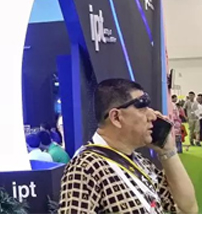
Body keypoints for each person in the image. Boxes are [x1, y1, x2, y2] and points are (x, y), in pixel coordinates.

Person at [59, 79, 198, 214]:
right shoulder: (85, 168)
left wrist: (168, 151)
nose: (153, 116)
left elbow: (188, 208)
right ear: (116, 117)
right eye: (142, 108)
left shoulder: (139, 162)